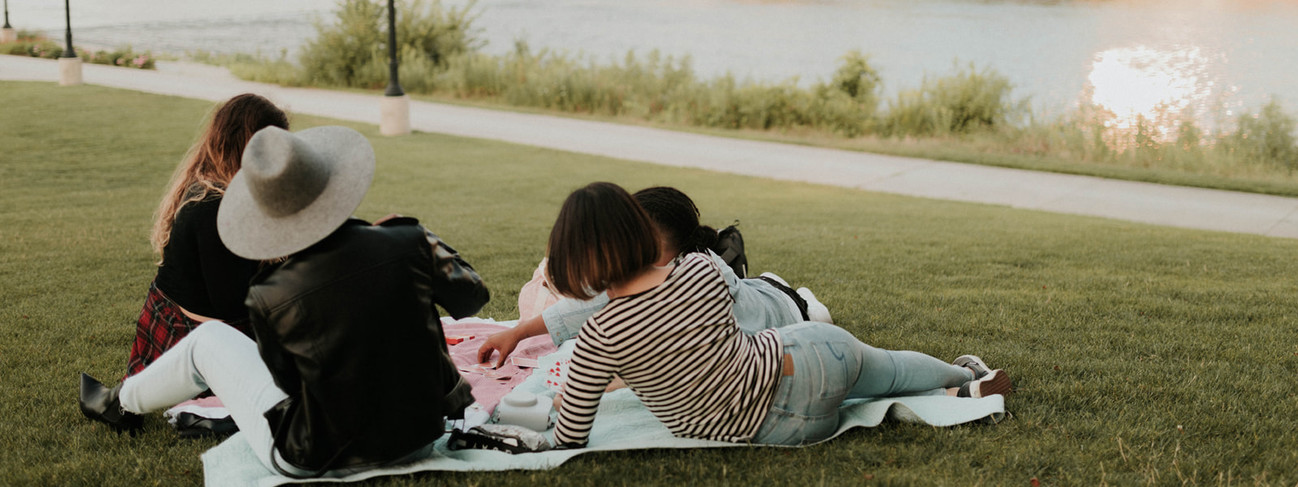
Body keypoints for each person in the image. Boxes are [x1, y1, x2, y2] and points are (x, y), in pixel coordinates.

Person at [78, 125, 488, 477]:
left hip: (316, 457)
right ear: (334, 182)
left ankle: (119, 403)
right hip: (421, 437)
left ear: (267, 218)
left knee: (209, 340)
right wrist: (417, 243)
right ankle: (128, 404)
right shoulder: (407, 239)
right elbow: (473, 298)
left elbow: (290, 391)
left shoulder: (270, 295)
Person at [540, 182, 1010, 448]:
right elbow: (690, 342)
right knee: (885, 368)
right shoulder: (701, 268)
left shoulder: (599, 337)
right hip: (809, 358)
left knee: (865, 387)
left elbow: (570, 435)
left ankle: (957, 386)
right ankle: (963, 377)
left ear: (571, 261)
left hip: (790, 430)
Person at [478, 186, 831, 368]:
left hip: (787, 309)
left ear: (674, 250)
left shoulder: (700, 279)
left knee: (816, 315)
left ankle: (797, 293)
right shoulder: (647, 272)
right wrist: (518, 332)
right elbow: (587, 307)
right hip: (756, 290)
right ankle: (770, 281)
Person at [124, 93, 289, 377]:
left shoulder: (222, 187)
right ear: (245, 144)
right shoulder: (213, 205)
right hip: (190, 336)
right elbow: (233, 304)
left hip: (206, 324)